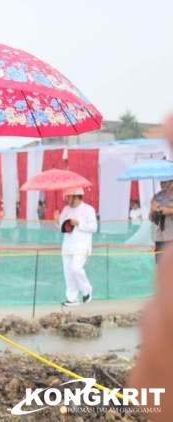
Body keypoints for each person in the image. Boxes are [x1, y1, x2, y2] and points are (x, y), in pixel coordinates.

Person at [127, 113, 173, 420]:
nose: (164, 184)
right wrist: (155, 209)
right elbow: (151, 216)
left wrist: (166, 207)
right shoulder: (156, 195)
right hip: (161, 239)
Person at [55, 187, 98, 306]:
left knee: (76, 268)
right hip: (67, 246)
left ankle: (86, 290)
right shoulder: (66, 209)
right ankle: (72, 298)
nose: (66, 199)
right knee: (68, 272)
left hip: (82, 245)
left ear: (75, 196)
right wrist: (58, 220)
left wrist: (79, 223)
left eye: (68, 197)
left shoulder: (88, 210)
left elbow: (94, 228)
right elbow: (62, 228)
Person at [149, 179, 173, 264]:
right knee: (160, 266)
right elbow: (151, 218)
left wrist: (169, 211)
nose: (163, 184)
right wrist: (153, 210)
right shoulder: (157, 196)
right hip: (159, 238)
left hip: (171, 237)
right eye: (161, 182)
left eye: (165, 182)